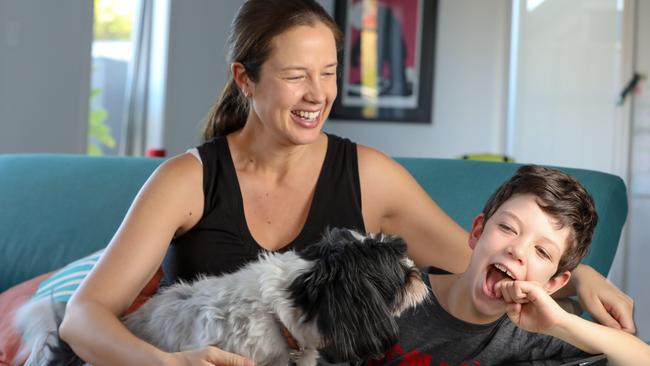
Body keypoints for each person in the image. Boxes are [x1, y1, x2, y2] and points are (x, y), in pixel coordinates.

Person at [59, 1, 635, 365]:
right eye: (295, 76)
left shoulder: (369, 174)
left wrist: (577, 277)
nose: (318, 95)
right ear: (246, 80)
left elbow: (475, 252)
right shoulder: (186, 179)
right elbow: (84, 318)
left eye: (330, 72)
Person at [369, 165, 650, 366]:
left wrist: (560, 323)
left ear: (553, 283)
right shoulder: (394, 293)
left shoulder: (535, 331)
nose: (517, 250)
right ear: (477, 231)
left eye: (541, 251)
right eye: (507, 228)